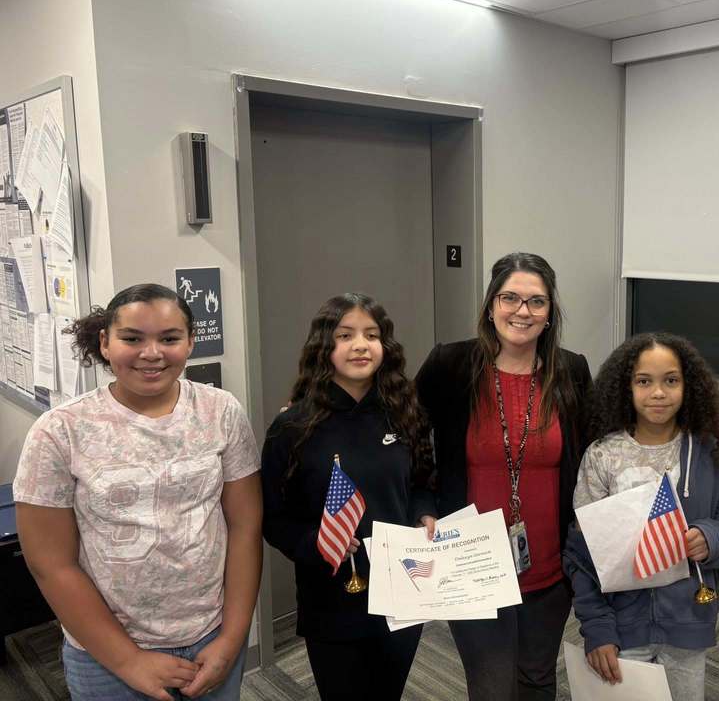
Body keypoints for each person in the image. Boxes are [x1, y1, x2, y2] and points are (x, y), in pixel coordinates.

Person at [14, 283, 262, 701]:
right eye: (133, 338)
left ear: (190, 343)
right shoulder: (60, 432)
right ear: (106, 343)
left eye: (169, 338)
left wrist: (233, 638)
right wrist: (128, 660)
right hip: (107, 652)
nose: (152, 353)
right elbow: (50, 564)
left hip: (212, 636)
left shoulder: (221, 411)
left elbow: (245, 528)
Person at [415, 252, 592, 701]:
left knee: (537, 681)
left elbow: (596, 453)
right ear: (491, 305)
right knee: (492, 688)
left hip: (550, 571)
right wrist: (423, 506)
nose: (522, 311)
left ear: (550, 313)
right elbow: (404, 436)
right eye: (510, 297)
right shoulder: (450, 365)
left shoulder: (571, 372)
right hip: (473, 566)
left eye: (536, 301)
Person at [261, 293, 435, 701]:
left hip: (403, 592)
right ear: (325, 347)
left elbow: (424, 481)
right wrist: (314, 544)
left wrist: (425, 512)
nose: (360, 344)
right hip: (332, 600)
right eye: (345, 335)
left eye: (371, 335)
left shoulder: (406, 412)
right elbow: (272, 516)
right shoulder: (292, 426)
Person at [564, 332, 719, 701]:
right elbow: (583, 556)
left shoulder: (709, 452)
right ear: (624, 387)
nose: (658, 393)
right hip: (621, 625)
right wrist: (597, 627)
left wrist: (709, 538)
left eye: (671, 381)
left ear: (688, 386)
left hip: (687, 624)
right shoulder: (602, 456)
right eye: (644, 381)